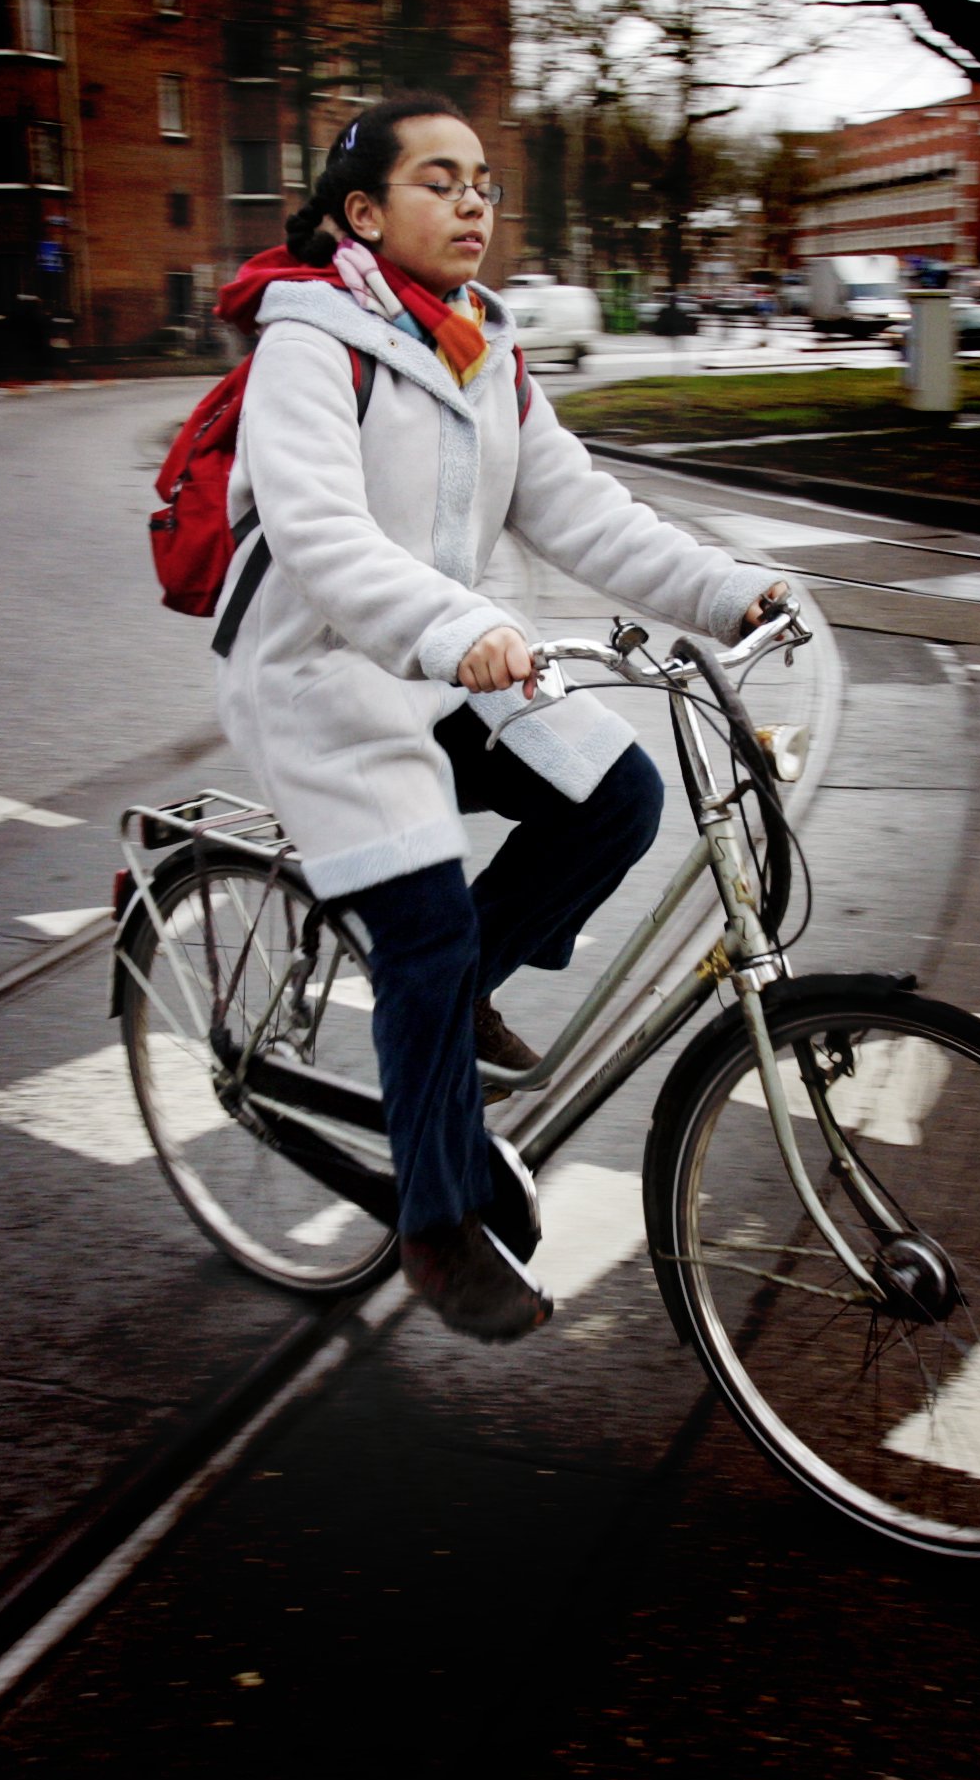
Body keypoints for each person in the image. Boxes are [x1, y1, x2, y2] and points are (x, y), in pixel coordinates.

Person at [210, 96, 789, 1342]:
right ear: (363, 213)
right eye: (438, 180)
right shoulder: (309, 340)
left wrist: (728, 589)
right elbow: (316, 531)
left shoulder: (484, 348)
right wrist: (451, 628)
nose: (474, 202)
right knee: (419, 923)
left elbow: (583, 514)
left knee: (618, 795)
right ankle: (434, 1218)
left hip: (457, 658)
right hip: (325, 668)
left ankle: (460, 985)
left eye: (482, 181)